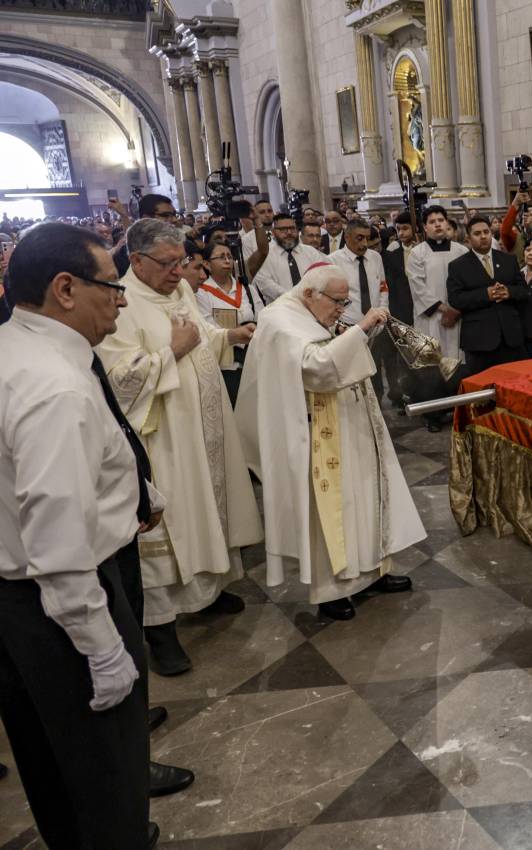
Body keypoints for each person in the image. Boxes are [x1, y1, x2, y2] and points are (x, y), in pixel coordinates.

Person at [0, 223, 161, 848]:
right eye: (112, 288)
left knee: (53, 764)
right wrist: (99, 646)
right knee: (107, 771)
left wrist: (134, 493)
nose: (120, 303)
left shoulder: (16, 347)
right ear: (65, 289)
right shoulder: (56, 385)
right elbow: (57, 530)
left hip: (17, 603)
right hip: (64, 607)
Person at [96, 219, 263, 676]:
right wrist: (173, 351)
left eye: (181, 261)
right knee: (172, 531)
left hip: (204, 430)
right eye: (168, 264)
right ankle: (162, 631)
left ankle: (208, 593)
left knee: (209, 511)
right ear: (137, 259)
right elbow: (117, 380)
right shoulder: (121, 304)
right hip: (165, 439)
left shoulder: (180, 289)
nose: (179, 272)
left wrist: (228, 337)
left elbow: (201, 333)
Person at [236, 263, 426, 620]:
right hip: (316, 434)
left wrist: (346, 332)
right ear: (310, 293)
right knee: (330, 510)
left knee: (364, 498)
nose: (341, 309)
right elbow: (317, 368)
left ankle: (372, 573)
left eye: (345, 301)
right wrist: (361, 328)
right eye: (337, 302)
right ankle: (331, 590)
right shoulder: (280, 320)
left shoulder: (311, 311)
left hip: (350, 421)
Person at [447, 216, 529, 374]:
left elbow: (524, 290)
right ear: (468, 238)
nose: (483, 236)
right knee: (482, 386)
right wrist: (485, 294)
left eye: (486, 232)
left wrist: (509, 292)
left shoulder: (508, 260)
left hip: (511, 338)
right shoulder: (458, 266)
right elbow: (455, 299)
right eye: (477, 233)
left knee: (515, 383)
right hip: (479, 341)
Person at [195, 241, 259, 404]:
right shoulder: (201, 292)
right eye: (221, 257)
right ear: (207, 264)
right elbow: (207, 328)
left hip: (252, 358)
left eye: (230, 256)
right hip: (224, 364)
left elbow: (261, 316)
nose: (227, 260)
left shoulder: (247, 289)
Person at [408, 205, 470, 359]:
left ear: (447, 223)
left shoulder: (462, 251)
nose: (437, 224)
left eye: (441, 220)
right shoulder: (417, 253)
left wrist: (457, 310)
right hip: (431, 316)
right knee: (434, 362)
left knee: (459, 360)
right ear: (425, 227)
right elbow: (418, 288)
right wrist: (444, 308)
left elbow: (469, 284)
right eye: (432, 222)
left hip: (458, 315)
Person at [251, 213, 325, 304]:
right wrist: (296, 298)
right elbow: (266, 284)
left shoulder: (311, 252)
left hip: (312, 304)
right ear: (273, 232)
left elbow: (321, 276)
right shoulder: (265, 255)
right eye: (283, 229)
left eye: (292, 228)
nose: (289, 232)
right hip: (280, 307)